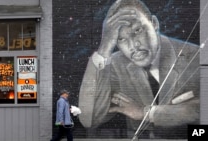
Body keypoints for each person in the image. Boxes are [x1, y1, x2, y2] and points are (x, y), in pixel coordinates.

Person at [78, 0, 199, 139]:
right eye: (121, 39)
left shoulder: (197, 58)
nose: (133, 45)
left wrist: (146, 113)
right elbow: (89, 119)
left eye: (137, 30)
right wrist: (104, 48)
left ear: (154, 23)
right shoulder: (114, 65)